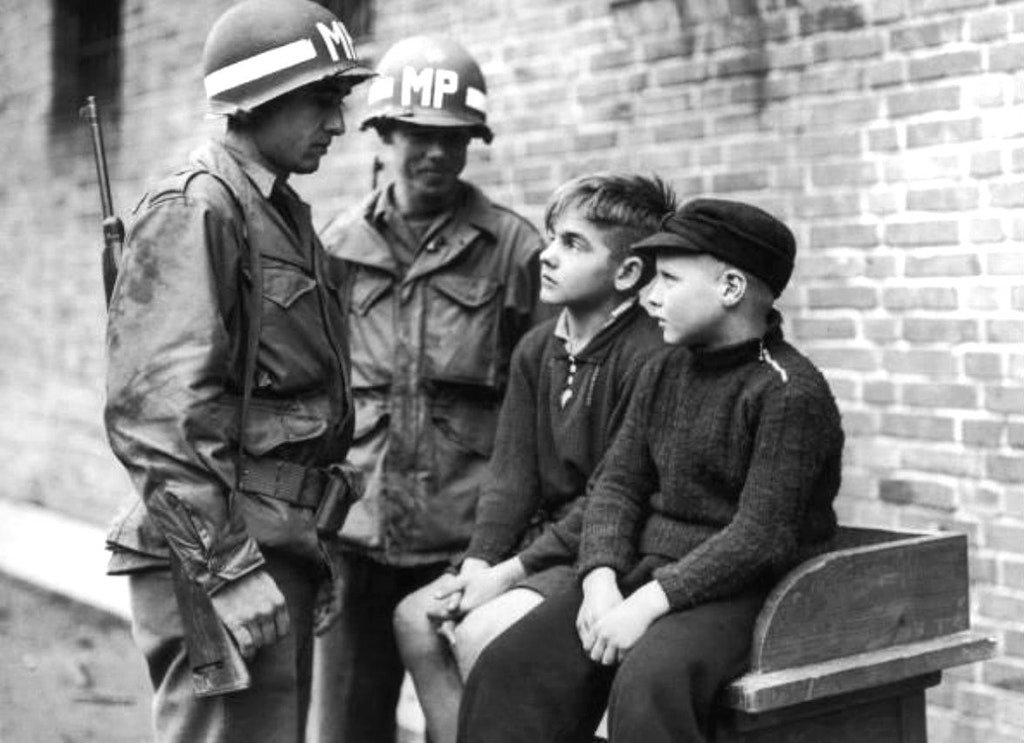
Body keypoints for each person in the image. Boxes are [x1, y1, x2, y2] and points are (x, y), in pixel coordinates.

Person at [458, 198, 846, 743]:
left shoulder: (789, 392)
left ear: (731, 289)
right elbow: (616, 486)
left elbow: (760, 540)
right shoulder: (664, 369)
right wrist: (599, 583)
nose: (650, 295)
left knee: (650, 682)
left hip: (747, 592)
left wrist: (645, 605)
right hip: (646, 571)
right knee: (513, 666)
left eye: (667, 279)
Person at [102, 2, 373, 742]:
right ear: (262, 98)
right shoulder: (199, 208)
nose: (339, 123)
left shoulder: (277, 210)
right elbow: (157, 415)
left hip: (273, 540)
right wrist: (225, 567)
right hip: (220, 554)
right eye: (324, 99)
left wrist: (308, 546)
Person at [308, 35, 544, 743]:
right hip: (354, 535)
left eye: (455, 138)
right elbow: (310, 391)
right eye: (417, 134)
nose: (436, 153)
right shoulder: (335, 246)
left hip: (463, 545)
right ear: (381, 135)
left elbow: (540, 406)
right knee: (348, 727)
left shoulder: (515, 251)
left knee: (469, 727)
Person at [392, 173, 676, 743]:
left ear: (626, 273)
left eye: (572, 244)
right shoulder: (537, 348)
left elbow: (613, 498)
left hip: (607, 552)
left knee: (479, 633)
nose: (546, 255)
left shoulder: (650, 356)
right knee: (416, 619)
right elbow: (510, 476)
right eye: (551, 237)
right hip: (540, 549)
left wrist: (507, 576)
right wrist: (479, 563)